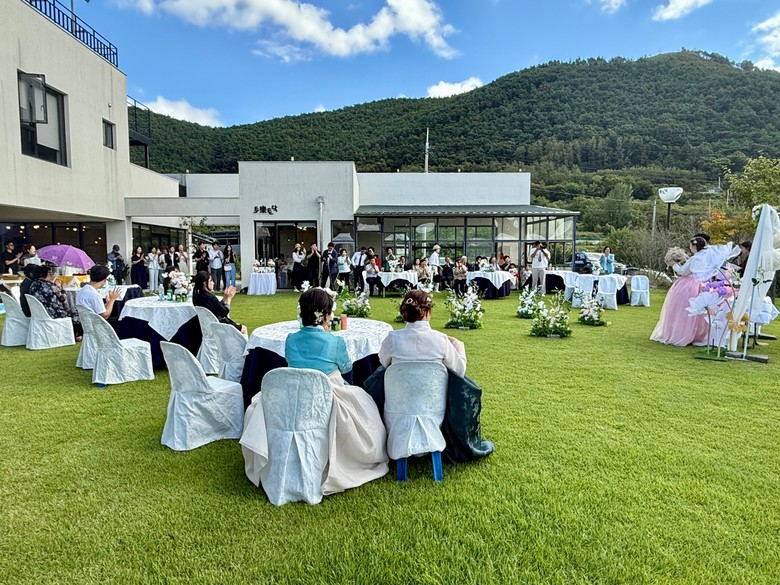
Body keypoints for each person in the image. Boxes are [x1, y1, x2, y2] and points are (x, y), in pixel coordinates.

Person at [367, 289, 494, 463]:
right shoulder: (441, 340)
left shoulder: (393, 339)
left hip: (396, 412)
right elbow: (460, 371)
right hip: (434, 412)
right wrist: (458, 345)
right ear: (427, 312)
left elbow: (382, 362)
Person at [284, 287, 389, 494]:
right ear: (325, 316)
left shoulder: (290, 339)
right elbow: (347, 372)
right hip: (330, 398)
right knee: (366, 407)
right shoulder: (335, 341)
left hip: (296, 397)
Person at [650, 236, 714, 346]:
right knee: (698, 312)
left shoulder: (695, 258)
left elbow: (683, 271)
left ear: (694, 247)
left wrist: (674, 264)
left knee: (682, 310)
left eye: (691, 245)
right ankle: (696, 334)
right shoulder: (706, 258)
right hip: (701, 285)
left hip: (689, 285)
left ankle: (680, 334)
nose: (690, 247)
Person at [29, 264, 82, 340]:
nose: (52, 275)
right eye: (50, 273)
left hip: (40, 313)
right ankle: (76, 334)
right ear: (44, 274)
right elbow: (63, 298)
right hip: (54, 313)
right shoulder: (51, 285)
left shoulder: (33, 285)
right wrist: (63, 289)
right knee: (75, 313)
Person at [192, 270, 247, 335]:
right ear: (204, 283)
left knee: (237, 325)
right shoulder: (210, 297)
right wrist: (229, 298)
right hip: (219, 327)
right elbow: (224, 312)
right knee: (244, 329)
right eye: (211, 281)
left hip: (209, 327)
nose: (213, 283)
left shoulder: (198, 296)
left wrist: (225, 298)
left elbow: (217, 307)